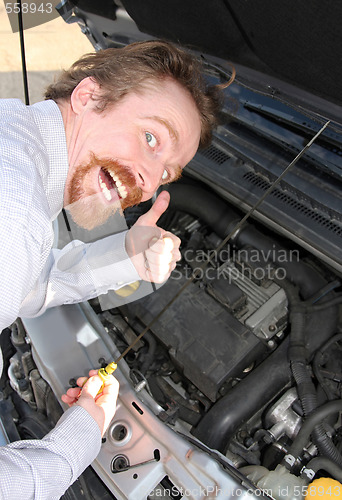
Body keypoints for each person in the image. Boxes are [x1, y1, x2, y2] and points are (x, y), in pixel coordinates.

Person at [0, 40, 224, 498]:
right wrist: (72, 446)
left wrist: (128, 256)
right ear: (87, 96)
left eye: (166, 173)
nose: (147, 180)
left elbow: (30, 288)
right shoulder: (14, 213)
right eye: (151, 138)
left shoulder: (14, 137)